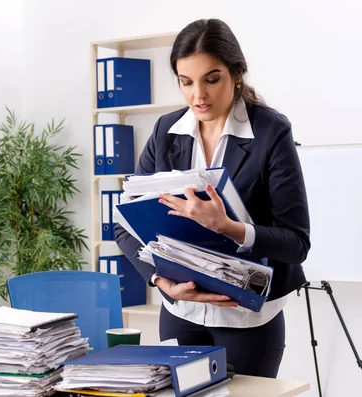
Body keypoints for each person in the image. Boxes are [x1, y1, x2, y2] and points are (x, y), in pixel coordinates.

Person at [115, 18, 310, 378]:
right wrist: (159, 279)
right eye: (186, 82)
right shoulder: (165, 131)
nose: (198, 96)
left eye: (211, 79)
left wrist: (230, 228)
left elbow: (297, 243)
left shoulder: (270, 132)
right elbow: (124, 227)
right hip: (181, 314)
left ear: (237, 74)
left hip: (247, 319)